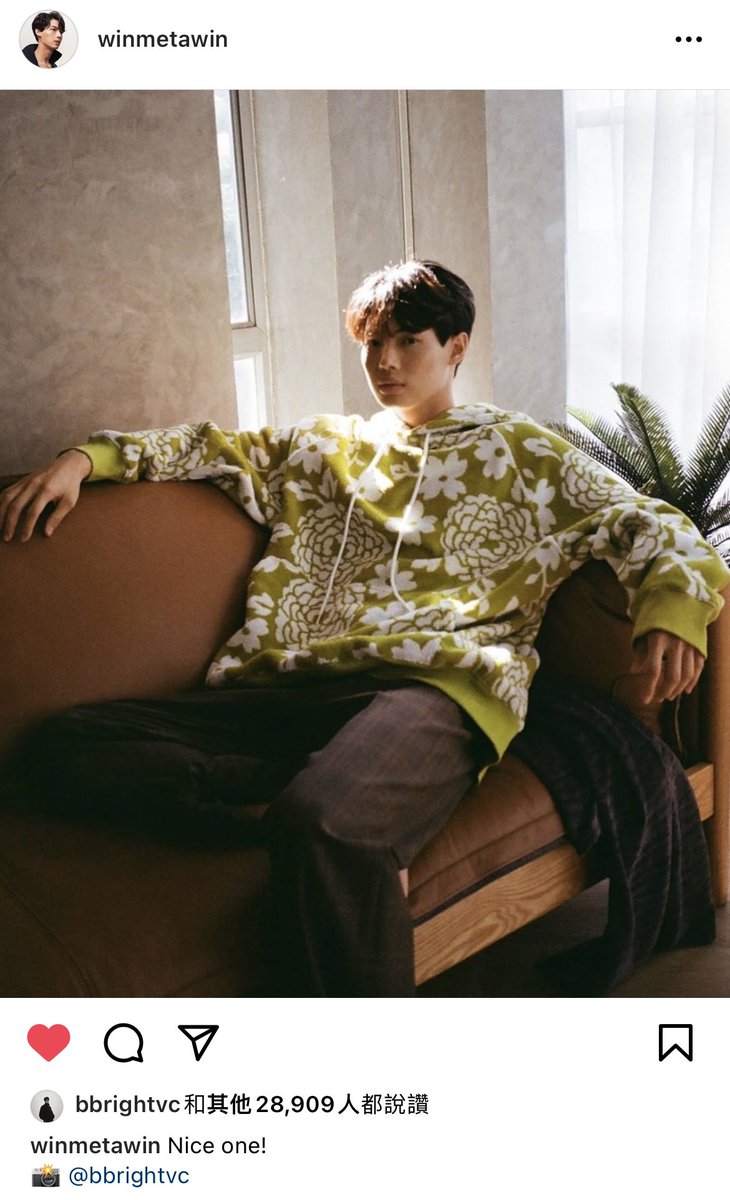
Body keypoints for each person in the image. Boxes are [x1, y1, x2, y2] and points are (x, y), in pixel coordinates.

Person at [2, 260, 728, 996]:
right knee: (65, 745)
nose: (385, 361)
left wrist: (672, 612)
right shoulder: (323, 448)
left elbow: (645, 520)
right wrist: (81, 461)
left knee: (329, 825)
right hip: (288, 687)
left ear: (456, 347)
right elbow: (204, 447)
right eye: (373, 343)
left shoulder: (519, 450)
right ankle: (274, 792)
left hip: (431, 688)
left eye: (408, 341)